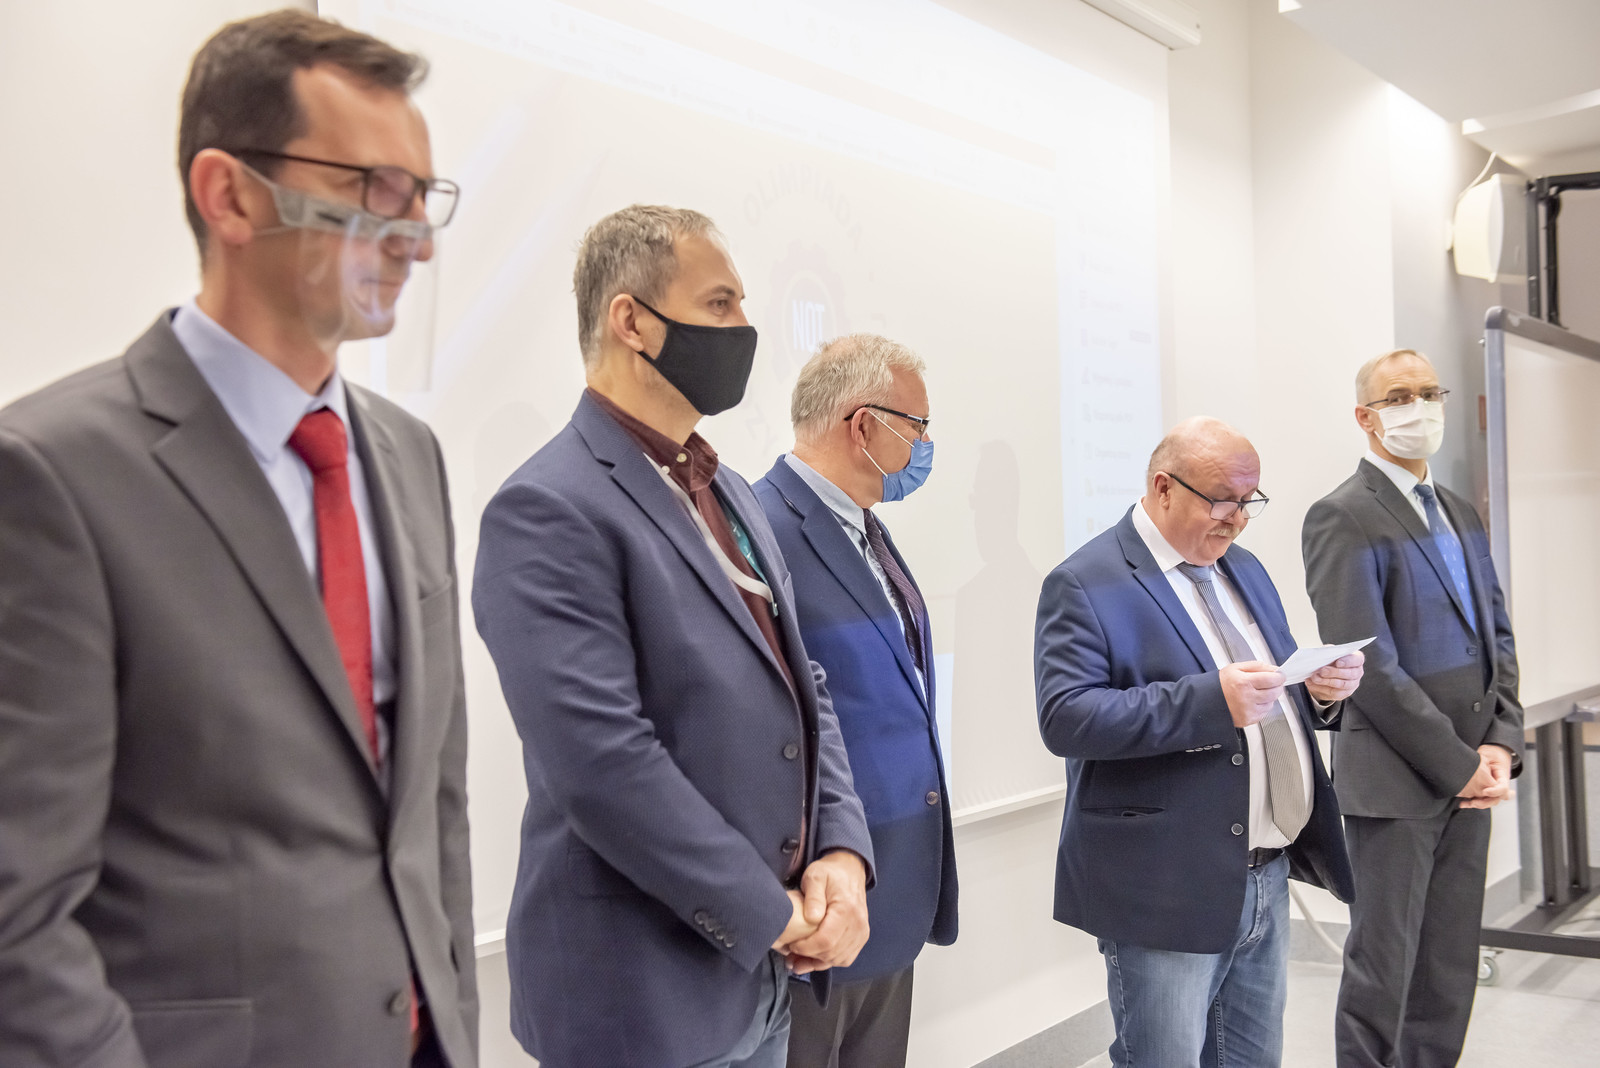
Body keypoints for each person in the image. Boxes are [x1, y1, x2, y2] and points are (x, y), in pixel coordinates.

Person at [0, 11, 475, 1068]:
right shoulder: (50, 477)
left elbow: (433, 814)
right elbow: (16, 912)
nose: (417, 238)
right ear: (230, 195)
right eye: (374, 190)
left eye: (423, 196)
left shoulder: (409, 458)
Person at [472, 204, 874, 1068]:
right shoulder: (548, 506)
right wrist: (769, 912)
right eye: (720, 303)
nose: (745, 327)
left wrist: (842, 853)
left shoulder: (728, 494)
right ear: (632, 321)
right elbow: (602, 763)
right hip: (640, 997)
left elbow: (802, 685)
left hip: (764, 978)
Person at [1034, 416, 1364, 1068]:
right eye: (1221, 500)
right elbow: (1066, 717)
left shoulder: (1244, 569)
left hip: (1266, 876)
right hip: (1166, 886)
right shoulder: (1086, 581)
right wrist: (1211, 702)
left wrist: (1320, 693)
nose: (1237, 519)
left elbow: (1270, 695)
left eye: (1249, 501)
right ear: (1163, 487)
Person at [1303, 348, 1523, 1067]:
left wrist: (1501, 740)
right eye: (1399, 397)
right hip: (1397, 784)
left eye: (1429, 392)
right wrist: (1458, 764)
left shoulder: (1457, 509)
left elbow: (1495, 632)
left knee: (1448, 968)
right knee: (1384, 970)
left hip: (1472, 776)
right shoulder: (1342, 515)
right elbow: (1368, 666)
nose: (1419, 408)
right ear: (1365, 418)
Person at [752, 335, 956, 1068]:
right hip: (818, 901)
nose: (926, 446)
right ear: (862, 424)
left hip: (890, 890)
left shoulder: (866, 530)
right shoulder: (759, 528)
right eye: (918, 426)